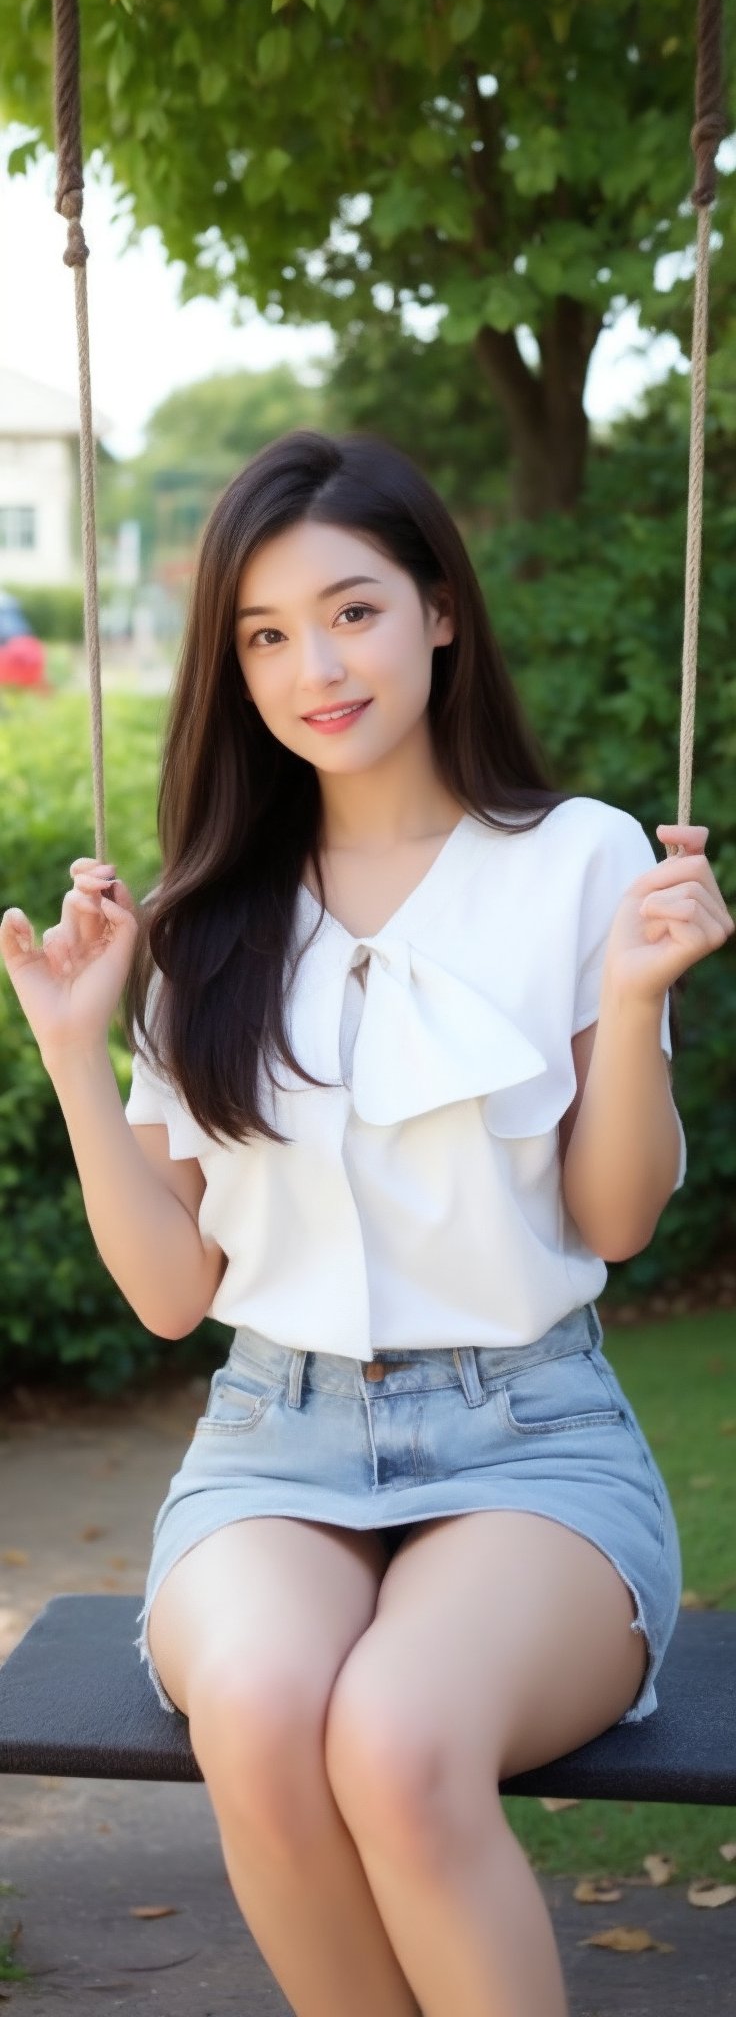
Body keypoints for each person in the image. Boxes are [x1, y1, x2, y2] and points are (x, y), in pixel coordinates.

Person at [1, 430, 733, 2017]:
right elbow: (171, 1296)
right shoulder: (204, 918)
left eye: (351, 610)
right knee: (264, 1715)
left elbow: (611, 1221)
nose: (312, 666)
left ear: (440, 611)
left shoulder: (581, 861)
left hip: (530, 1435)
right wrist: (77, 1051)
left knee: (395, 1740)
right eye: (264, 635)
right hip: (278, 1435)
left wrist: (627, 995)